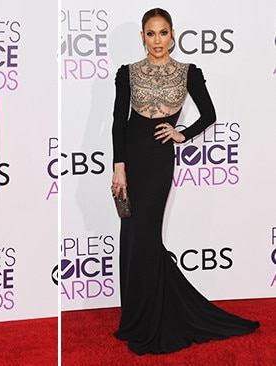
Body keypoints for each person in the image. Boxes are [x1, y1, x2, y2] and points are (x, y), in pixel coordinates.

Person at [110, 7, 259, 355]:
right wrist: (119, 165)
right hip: (131, 159)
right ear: (142, 37)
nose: (157, 40)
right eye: (150, 33)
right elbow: (119, 120)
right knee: (132, 237)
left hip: (160, 161)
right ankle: (135, 318)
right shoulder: (127, 73)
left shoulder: (188, 72)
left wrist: (183, 133)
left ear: (173, 35)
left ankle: (154, 317)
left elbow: (210, 114)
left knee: (146, 237)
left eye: (163, 33)